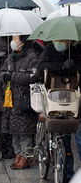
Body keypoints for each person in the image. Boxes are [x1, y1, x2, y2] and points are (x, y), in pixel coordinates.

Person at [38, 40, 81, 183]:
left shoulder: (77, 50)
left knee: (77, 138)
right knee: (64, 136)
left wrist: (74, 65)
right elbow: (41, 67)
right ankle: (67, 173)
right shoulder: (50, 49)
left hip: (75, 98)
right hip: (56, 99)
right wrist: (61, 66)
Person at [0, 35, 39, 169]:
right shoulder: (10, 58)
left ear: (23, 41)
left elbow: (32, 76)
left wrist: (13, 76)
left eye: (15, 38)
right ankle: (18, 155)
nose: (13, 41)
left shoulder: (31, 57)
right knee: (14, 133)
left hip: (24, 101)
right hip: (10, 100)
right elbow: (3, 72)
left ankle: (25, 157)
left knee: (25, 133)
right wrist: (4, 76)